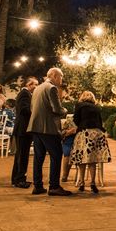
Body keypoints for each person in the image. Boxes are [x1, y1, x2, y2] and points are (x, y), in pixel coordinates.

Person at [27, 68, 72, 196]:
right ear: (54, 76)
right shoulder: (51, 88)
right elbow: (57, 109)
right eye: (61, 77)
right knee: (57, 155)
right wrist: (65, 111)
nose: (61, 80)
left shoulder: (38, 88)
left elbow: (32, 107)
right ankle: (54, 186)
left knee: (38, 157)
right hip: (48, 128)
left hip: (35, 127)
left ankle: (38, 186)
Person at [70, 91, 111, 193]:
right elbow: (100, 122)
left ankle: (82, 183)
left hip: (85, 133)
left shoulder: (79, 105)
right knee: (93, 160)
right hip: (96, 133)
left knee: (81, 159)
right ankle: (93, 183)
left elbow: (75, 120)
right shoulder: (96, 107)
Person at [11, 76, 38, 188]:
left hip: (22, 129)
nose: (36, 87)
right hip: (23, 129)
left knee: (20, 154)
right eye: (35, 84)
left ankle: (16, 179)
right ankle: (20, 180)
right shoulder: (25, 94)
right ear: (28, 85)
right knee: (22, 155)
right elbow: (24, 110)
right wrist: (35, 112)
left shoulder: (25, 94)